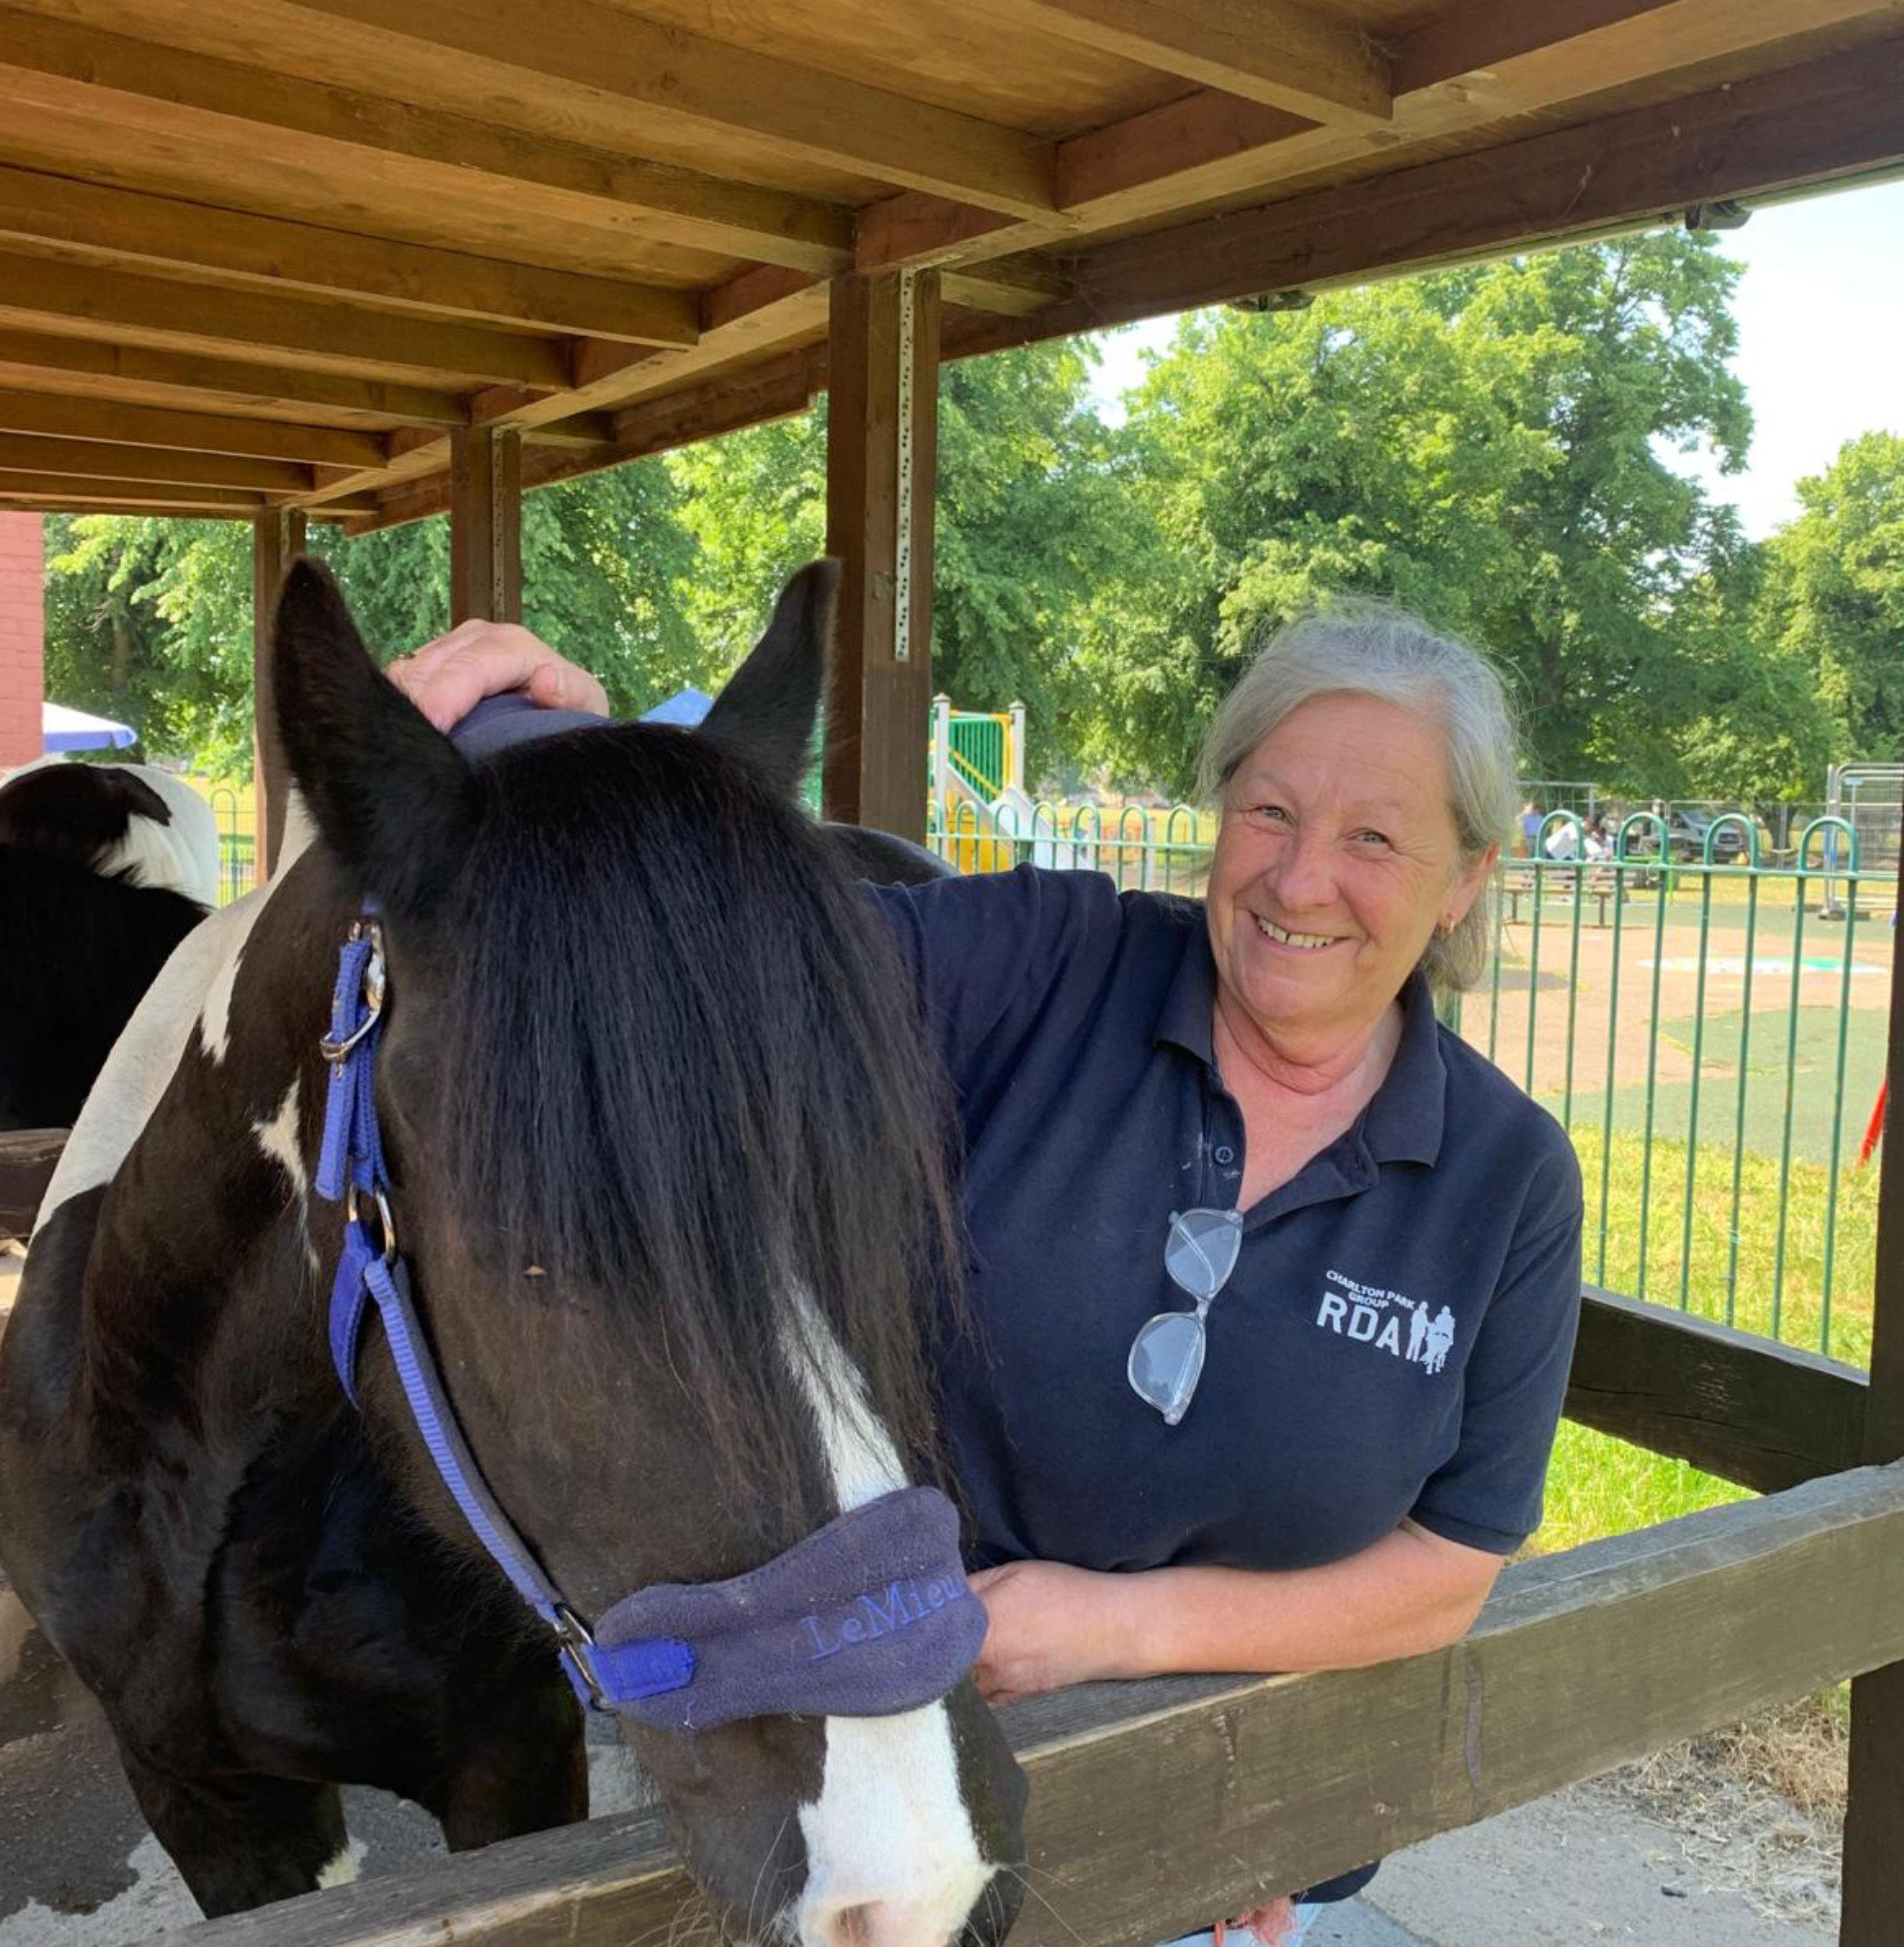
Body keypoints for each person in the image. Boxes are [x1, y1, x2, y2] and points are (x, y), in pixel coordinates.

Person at [385, 599, 1584, 1947]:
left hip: (1229, 1837)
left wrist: (1115, 1640)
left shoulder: (1507, 1178)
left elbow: (1448, 1568)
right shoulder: (1043, 968)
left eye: (1374, 836)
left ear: (1468, 874)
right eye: (1269, 813)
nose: (1302, 881)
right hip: (874, 1783)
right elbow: (694, 950)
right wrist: (598, 759)